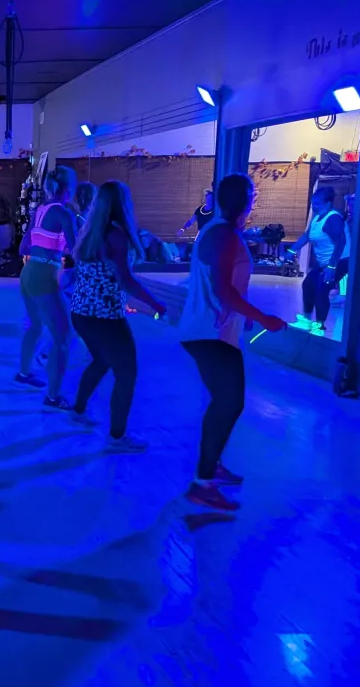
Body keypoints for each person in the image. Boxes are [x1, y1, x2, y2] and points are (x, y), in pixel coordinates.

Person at [179, 174, 286, 511]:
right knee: (228, 403)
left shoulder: (219, 230)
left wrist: (246, 314)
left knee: (225, 402)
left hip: (214, 331)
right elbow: (223, 291)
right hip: (209, 332)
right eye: (253, 195)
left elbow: (231, 286)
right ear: (245, 200)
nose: (255, 200)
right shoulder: (223, 234)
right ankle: (203, 482)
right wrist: (263, 318)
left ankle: (212, 466)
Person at [69, 180, 167, 452]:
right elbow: (126, 281)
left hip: (82, 313)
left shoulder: (90, 233)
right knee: (127, 373)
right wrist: (155, 304)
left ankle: (77, 410)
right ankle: (117, 436)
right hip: (106, 318)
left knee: (101, 360)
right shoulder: (116, 236)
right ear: (123, 204)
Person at [15, 166, 78, 402]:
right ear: (69, 188)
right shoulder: (63, 213)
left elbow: (23, 248)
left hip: (28, 273)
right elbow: (77, 250)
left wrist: (48, 246)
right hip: (44, 276)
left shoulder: (40, 210)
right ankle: (53, 397)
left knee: (34, 326)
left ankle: (24, 373)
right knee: (63, 337)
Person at [286, 186, 346, 336]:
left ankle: (319, 326)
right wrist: (292, 250)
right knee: (308, 285)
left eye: (317, 204)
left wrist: (331, 267)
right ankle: (307, 321)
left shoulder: (333, 218)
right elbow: (307, 236)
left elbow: (341, 243)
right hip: (323, 263)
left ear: (328, 203)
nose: (314, 207)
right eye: (313, 204)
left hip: (339, 261)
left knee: (321, 290)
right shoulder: (317, 217)